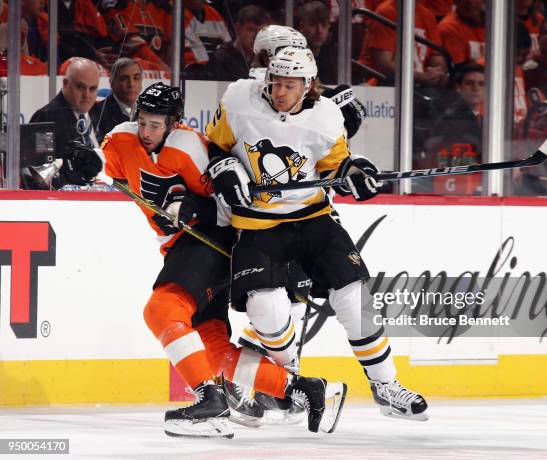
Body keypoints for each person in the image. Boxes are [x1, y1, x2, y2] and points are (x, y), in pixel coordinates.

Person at [64, 82, 348, 437]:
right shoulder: (122, 138)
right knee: (213, 348)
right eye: (143, 122)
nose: (147, 132)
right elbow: (104, 164)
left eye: (156, 124)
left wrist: (194, 206)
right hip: (180, 248)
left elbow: (231, 204)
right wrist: (84, 165)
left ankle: (210, 401)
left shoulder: (191, 148)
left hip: (212, 241)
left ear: (173, 123)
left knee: (162, 309)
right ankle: (305, 390)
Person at [205, 46, 429, 422]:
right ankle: (289, 379)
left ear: (307, 85)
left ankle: (386, 387)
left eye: (290, 85)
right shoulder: (240, 100)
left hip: (313, 219)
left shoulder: (326, 116)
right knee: (266, 310)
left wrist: (355, 172)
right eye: (276, 83)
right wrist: (223, 165)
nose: (280, 92)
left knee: (355, 301)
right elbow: (213, 145)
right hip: (259, 225)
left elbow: (334, 165)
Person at [30, 57, 101, 185]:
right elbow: (38, 176)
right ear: (65, 83)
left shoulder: (98, 112)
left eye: (92, 89)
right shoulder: (46, 118)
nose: (87, 95)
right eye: (80, 87)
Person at [205, 4, 270, 81]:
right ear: (238, 28)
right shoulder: (220, 60)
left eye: (261, 31)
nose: (256, 36)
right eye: (251, 30)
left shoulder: (264, 60)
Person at [95, 57, 143, 141]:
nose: (131, 84)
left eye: (136, 78)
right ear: (112, 83)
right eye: (124, 78)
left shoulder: (149, 112)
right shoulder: (97, 113)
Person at [296, 1, 338, 84]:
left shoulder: (334, 57)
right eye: (312, 25)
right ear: (302, 27)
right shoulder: (293, 58)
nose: (319, 31)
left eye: (324, 25)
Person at [438, 0, 486, 65]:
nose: (470, 1)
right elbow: (460, 68)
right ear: (455, 2)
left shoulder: (496, 23)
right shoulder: (448, 28)